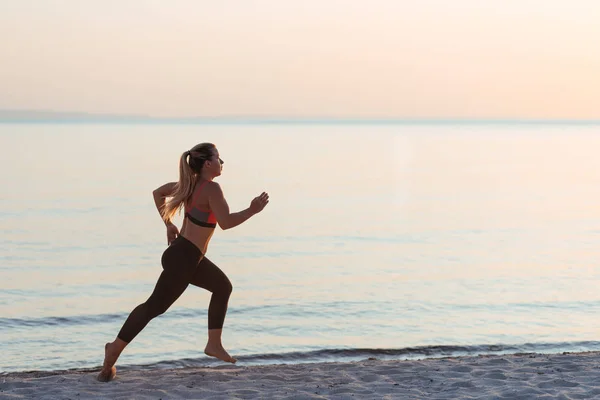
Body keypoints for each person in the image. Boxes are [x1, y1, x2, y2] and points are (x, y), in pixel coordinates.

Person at [97, 142, 269, 382]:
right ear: (208, 163)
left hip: (185, 254)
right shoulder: (211, 189)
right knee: (153, 307)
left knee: (222, 287)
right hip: (185, 258)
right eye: (219, 158)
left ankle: (213, 343)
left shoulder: (190, 185)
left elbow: (158, 193)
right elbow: (226, 222)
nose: (222, 163)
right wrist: (252, 210)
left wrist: (168, 223)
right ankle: (113, 349)